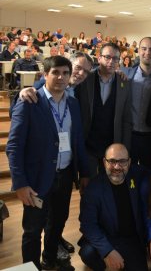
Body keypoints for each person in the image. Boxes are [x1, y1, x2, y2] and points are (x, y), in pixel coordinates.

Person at [6, 56, 89, 270]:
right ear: (45, 75)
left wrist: (84, 173)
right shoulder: (30, 102)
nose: (61, 77)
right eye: (55, 72)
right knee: (33, 230)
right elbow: (13, 147)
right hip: (36, 179)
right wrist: (20, 184)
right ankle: (29, 268)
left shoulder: (73, 103)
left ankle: (49, 260)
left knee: (57, 224)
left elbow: (77, 139)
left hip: (65, 175)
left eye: (65, 73)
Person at [78, 143, 149, 271]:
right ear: (104, 162)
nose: (117, 166)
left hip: (131, 239)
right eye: (112, 161)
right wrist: (108, 251)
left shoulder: (138, 174)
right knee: (88, 253)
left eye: (122, 161)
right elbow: (88, 225)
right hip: (106, 237)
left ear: (129, 162)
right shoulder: (93, 188)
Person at [76, 43, 132, 177]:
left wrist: (125, 148)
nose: (111, 62)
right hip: (88, 144)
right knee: (87, 185)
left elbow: (126, 119)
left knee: (109, 185)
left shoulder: (124, 83)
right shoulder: (85, 78)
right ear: (99, 57)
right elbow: (63, 82)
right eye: (107, 57)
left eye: (115, 59)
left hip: (112, 147)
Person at [122, 37, 151, 168]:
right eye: (144, 49)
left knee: (150, 177)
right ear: (138, 51)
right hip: (129, 136)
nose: (147, 53)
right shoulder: (125, 74)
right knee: (129, 176)